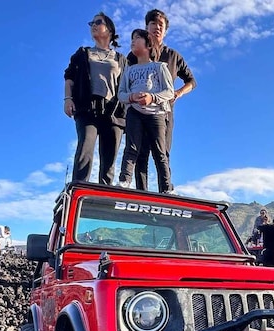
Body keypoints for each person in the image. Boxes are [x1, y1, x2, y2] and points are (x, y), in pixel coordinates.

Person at [125, 9, 196, 191]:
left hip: (163, 113)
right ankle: (142, 192)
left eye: (161, 25)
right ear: (146, 27)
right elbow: (124, 82)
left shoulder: (173, 56)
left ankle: (165, 191)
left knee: (162, 152)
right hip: (138, 113)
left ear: (165, 31)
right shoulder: (134, 55)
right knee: (140, 153)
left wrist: (178, 93)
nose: (157, 28)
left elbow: (191, 81)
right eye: (153, 24)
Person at [64, 12, 127, 185]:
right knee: (85, 148)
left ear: (110, 29)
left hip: (113, 111)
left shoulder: (121, 59)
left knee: (109, 158)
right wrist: (68, 99)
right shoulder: (83, 53)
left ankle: (105, 197)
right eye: (91, 22)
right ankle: (78, 188)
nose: (93, 25)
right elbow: (69, 77)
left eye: (98, 22)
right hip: (87, 108)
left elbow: (128, 85)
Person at [117, 29, 175, 194]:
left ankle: (166, 188)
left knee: (159, 151)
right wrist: (132, 96)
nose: (133, 41)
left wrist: (152, 97)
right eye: (132, 39)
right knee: (131, 147)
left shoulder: (160, 67)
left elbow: (169, 91)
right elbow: (121, 94)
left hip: (156, 114)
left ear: (148, 44)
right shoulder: (128, 70)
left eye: (137, 38)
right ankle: (124, 180)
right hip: (134, 112)